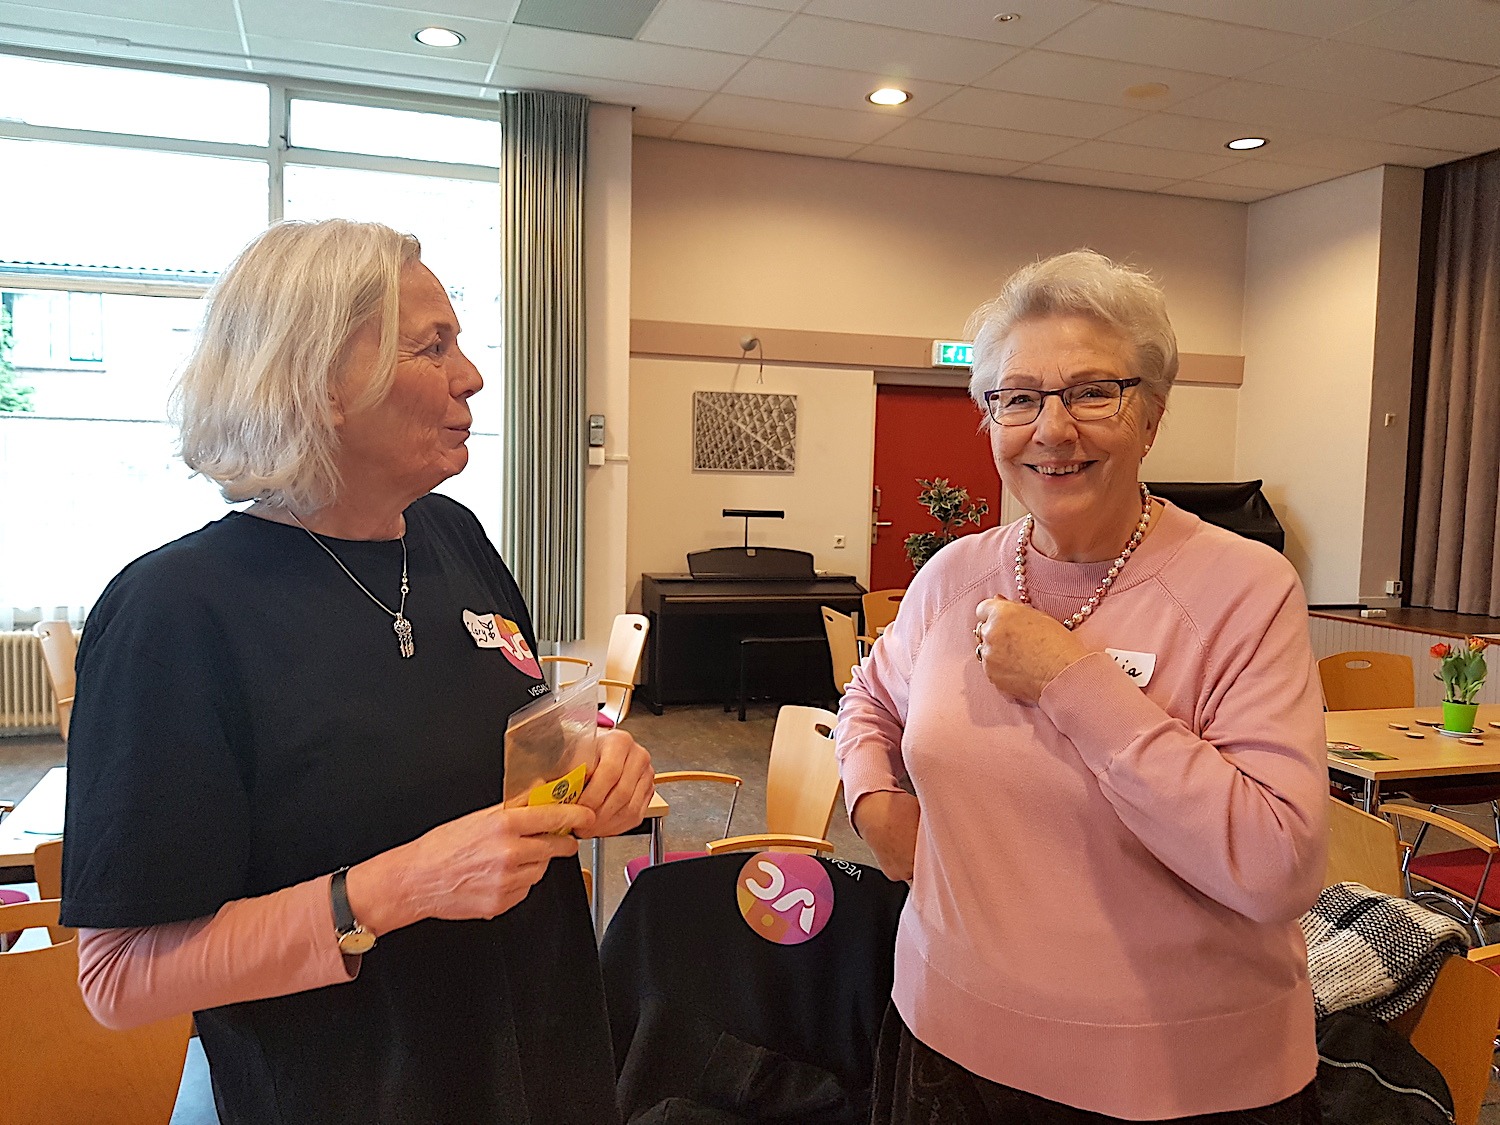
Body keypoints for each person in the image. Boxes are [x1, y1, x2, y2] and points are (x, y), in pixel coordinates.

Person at [59, 219, 654, 1124]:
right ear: (321, 382)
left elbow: (530, 744)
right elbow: (120, 975)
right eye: (433, 346)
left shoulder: (455, 538)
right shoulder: (173, 613)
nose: (471, 376)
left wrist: (598, 760)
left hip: (541, 1058)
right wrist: (395, 888)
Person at [837, 250, 1327, 1124]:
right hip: (943, 1043)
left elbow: (1274, 865)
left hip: (1180, 1081)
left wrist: (1070, 679)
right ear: (991, 418)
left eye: (1094, 392)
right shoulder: (952, 577)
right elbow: (868, 699)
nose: (1053, 429)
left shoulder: (1245, 590)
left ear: (1153, 415)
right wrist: (875, 798)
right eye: (1019, 398)